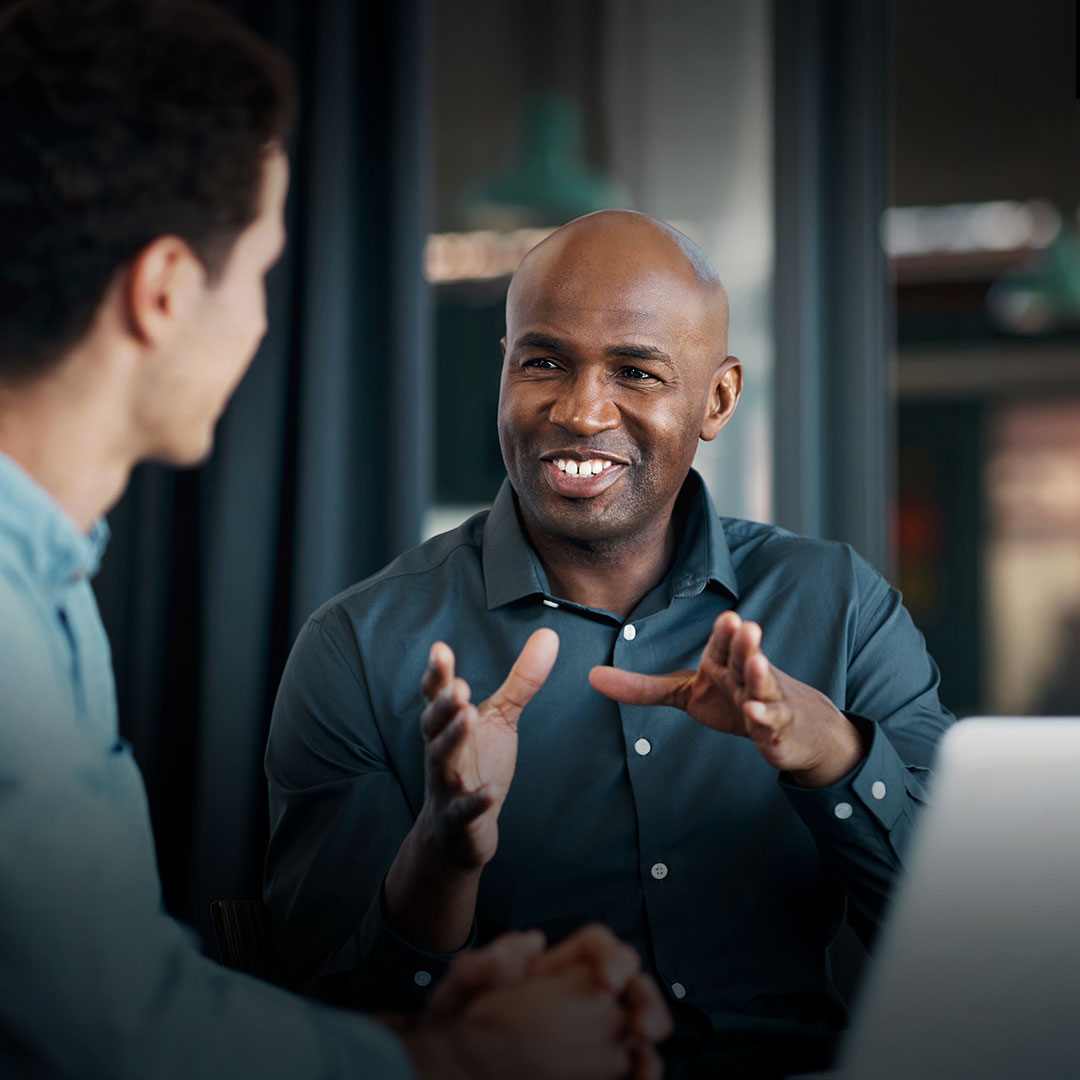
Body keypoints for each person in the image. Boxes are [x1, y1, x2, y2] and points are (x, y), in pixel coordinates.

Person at [0, 1, 671, 1077]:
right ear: (165, 292)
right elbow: (105, 1043)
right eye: (260, 270)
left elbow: (120, 990)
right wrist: (461, 1062)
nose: (264, 321)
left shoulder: (51, 587)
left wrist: (423, 1034)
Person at [264, 209, 956, 1077]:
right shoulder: (360, 647)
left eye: (635, 371)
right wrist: (440, 854)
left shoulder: (839, 606)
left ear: (719, 399)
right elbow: (331, 1026)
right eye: (544, 362)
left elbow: (967, 946)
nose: (581, 410)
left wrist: (835, 755)